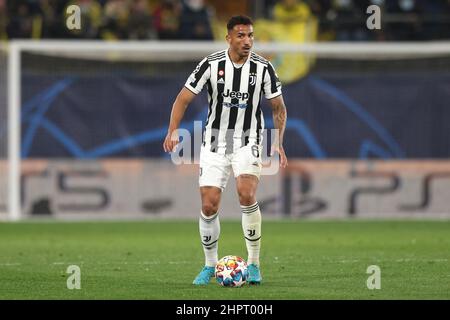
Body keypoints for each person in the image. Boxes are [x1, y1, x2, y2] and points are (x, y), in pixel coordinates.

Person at [163, 15, 288, 285]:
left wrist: (278, 141)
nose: (247, 41)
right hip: (215, 142)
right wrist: (173, 130)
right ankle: (210, 265)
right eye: (241, 35)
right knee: (209, 204)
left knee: (246, 193)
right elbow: (182, 99)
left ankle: (253, 263)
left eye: (251, 36)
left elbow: (278, 107)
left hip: (248, 139)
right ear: (229, 37)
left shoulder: (264, 68)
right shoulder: (211, 64)